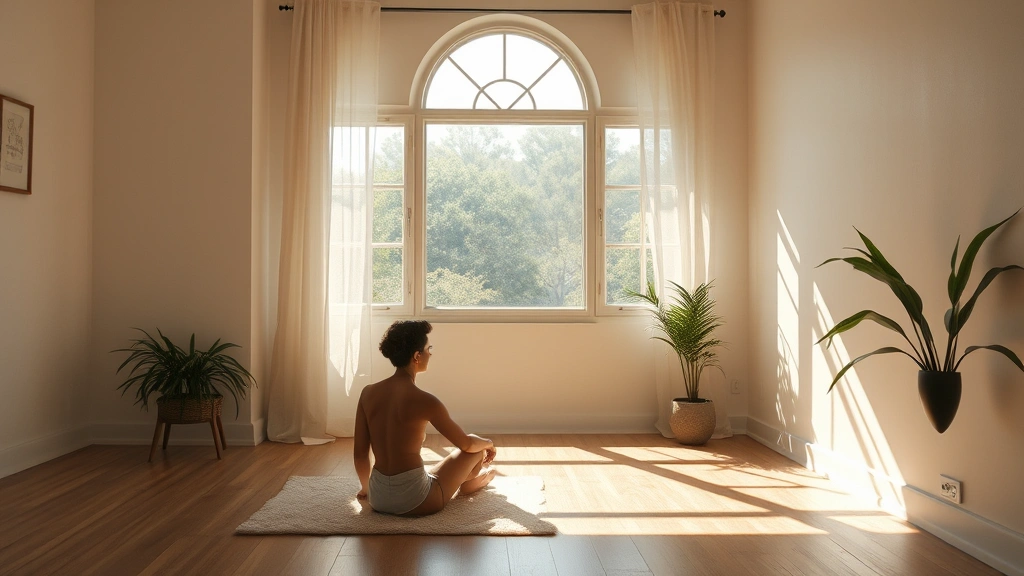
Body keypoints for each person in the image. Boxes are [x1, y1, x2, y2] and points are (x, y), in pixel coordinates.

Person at [353, 320, 497, 516]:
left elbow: (360, 455)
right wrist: (489, 443)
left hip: (378, 499)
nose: (430, 353)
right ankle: (468, 485)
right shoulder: (426, 401)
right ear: (416, 356)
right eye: (428, 349)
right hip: (416, 501)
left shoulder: (368, 393)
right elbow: (466, 444)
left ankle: (467, 482)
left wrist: (366, 490)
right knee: (476, 450)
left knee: (433, 472)